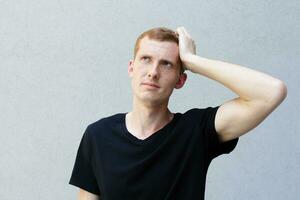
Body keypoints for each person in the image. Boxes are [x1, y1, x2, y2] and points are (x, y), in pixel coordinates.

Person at [69, 26, 287, 200]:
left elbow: (271, 92)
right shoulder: (98, 135)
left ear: (180, 80)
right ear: (131, 68)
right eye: (146, 59)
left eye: (166, 64)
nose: (153, 72)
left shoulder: (196, 130)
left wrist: (193, 61)